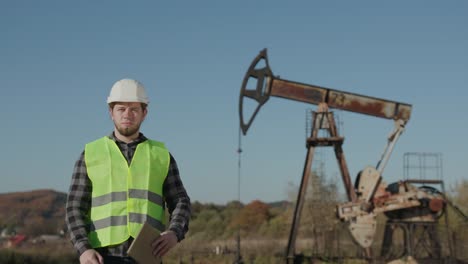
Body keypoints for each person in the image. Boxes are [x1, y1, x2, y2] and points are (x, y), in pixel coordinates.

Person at [66, 78, 191, 264]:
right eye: (121, 109)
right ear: (111, 112)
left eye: (134, 109)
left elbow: (181, 201)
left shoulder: (161, 155)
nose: (127, 114)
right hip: (102, 257)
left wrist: (175, 232)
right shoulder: (91, 154)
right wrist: (83, 249)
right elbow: (74, 207)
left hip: (148, 256)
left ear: (144, 113)